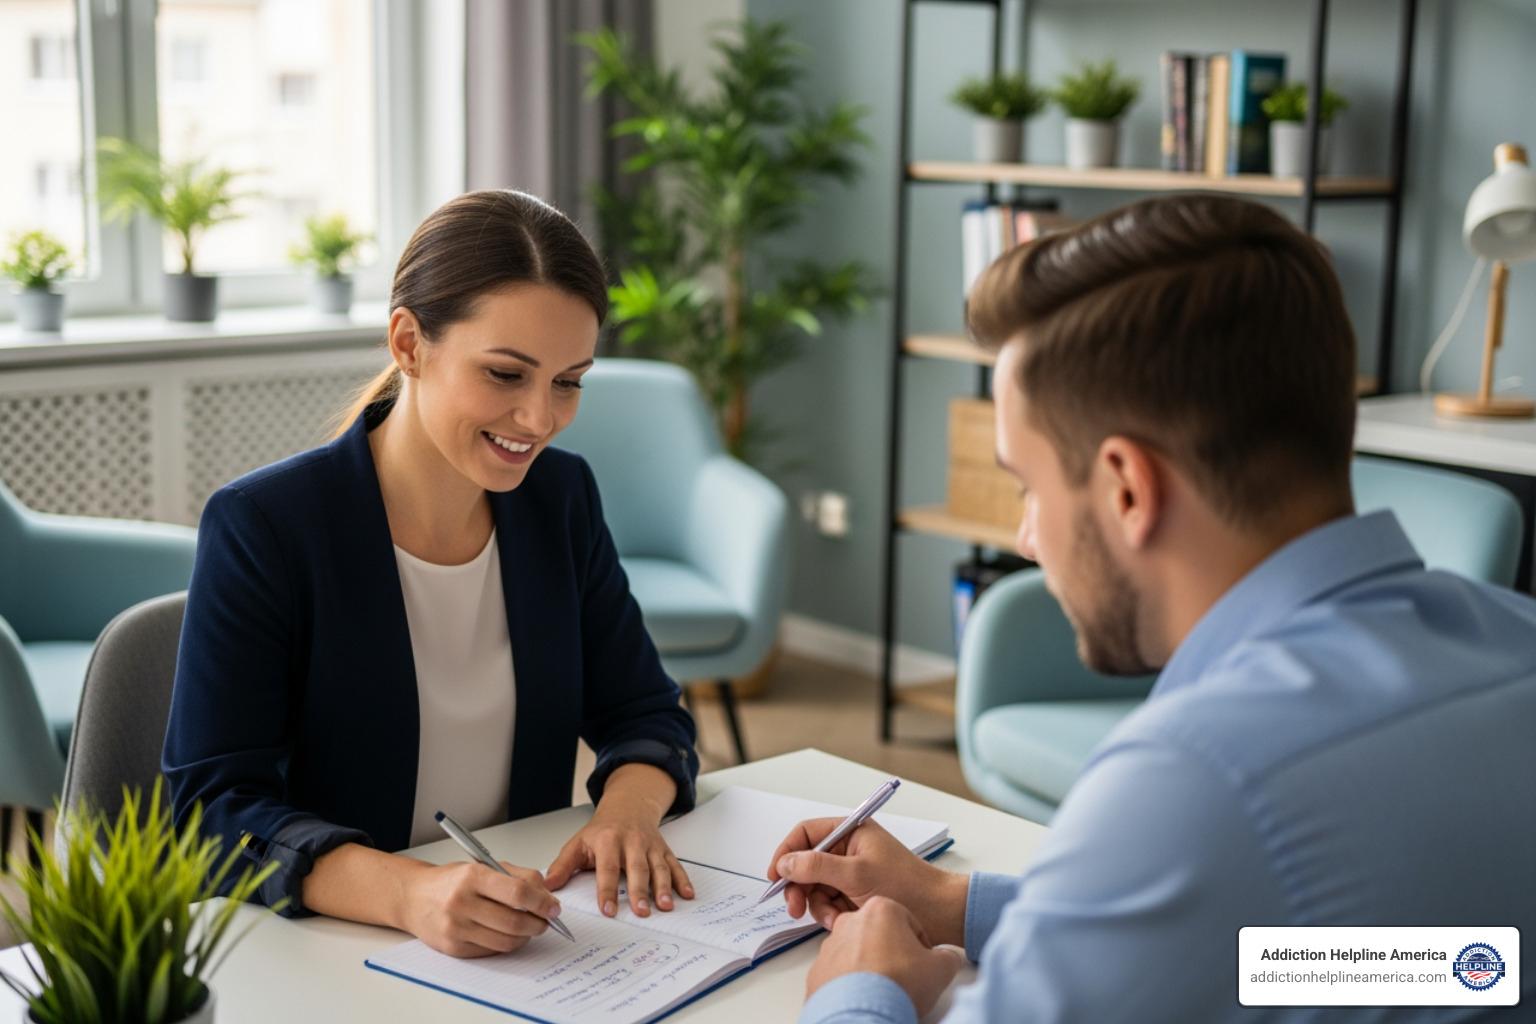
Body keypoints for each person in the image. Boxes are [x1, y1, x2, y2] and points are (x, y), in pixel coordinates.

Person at [769, 194, 1536, 1022]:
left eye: (1028, 487)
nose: (1026, 539)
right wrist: (959, 904)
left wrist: (859, 989)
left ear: (1128, 488)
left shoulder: (1194, 781)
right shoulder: (1513, 641)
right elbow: (1443, 965)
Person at [164, 189, 701, 959]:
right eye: (507, 374)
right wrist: (408, 892)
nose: (540, 419)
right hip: (331, 947)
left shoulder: (562, 498)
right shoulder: (268, 525)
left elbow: (648, 713)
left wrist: (627, 811)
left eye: (569, 381)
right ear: (409, 343)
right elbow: (211, 812)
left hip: (518, 945)